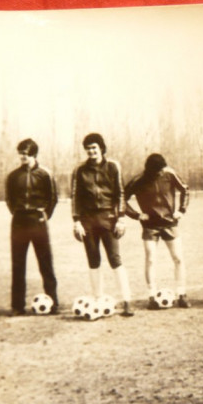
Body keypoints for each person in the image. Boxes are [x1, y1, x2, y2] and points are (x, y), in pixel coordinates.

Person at [71, 133, 134, 316]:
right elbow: (75, 197)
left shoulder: (113, 167)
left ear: (101, 148)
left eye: (94, 148)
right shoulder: (80, 170)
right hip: (88, 220)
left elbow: (120, 193)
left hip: (108, 218)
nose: (91, 151)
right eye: (88, 148)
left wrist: (121, 218)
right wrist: (76, 222)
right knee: (93, 260)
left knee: (115, 259)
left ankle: (127, 300)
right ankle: (97, 299)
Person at [124, 153, 191, 309]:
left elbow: (185, 190)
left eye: (162, 170)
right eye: (158, 171)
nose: (161, 173)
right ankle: (152, 296)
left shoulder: (169, 173)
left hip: (169, 223)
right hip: (150, 226)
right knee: (151, 259)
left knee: (178, 258)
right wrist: (137, 215)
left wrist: (181, 210)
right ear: (151, 170)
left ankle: (182, 294)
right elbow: (121, 199)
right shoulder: (139, 180)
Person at [5, 139, 59, 315]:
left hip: (38, 221)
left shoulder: (45, 174)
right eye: (20, 153)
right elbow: (9, 199)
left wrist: (44, 215)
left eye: (26, 153)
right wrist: (18, 213)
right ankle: (17, 306)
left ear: (34, 154)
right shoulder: (13, 176)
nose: (23, 156)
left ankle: (53, 303)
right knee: (18, 264)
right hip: (19, 221)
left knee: (45, 263)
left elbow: (53, 198)